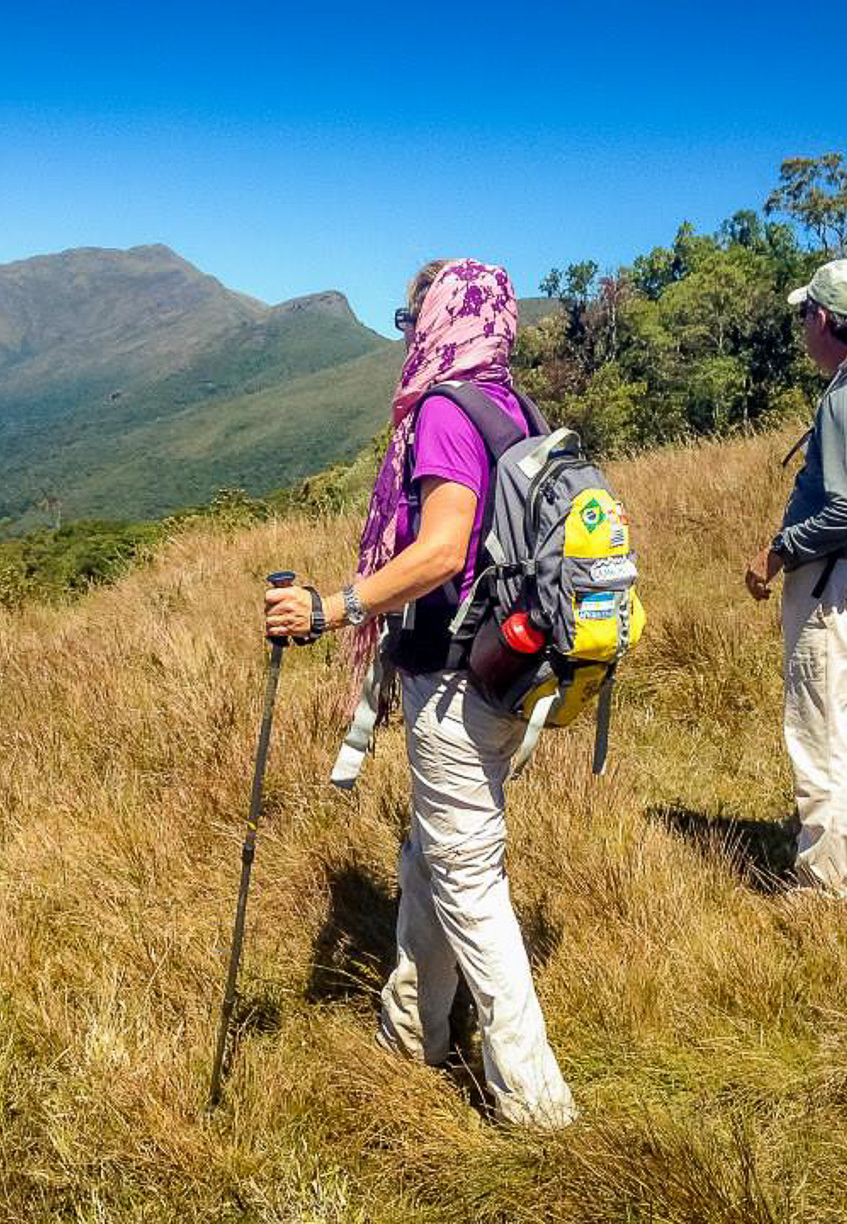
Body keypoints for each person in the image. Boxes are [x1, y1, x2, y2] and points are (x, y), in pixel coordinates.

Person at [262, 258, 576, 1129]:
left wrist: (333, 608)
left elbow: (443, 549)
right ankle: (414, 1035)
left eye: (412, 317)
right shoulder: (515, 406)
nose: (408, 333)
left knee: (470, 879)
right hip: (510, 672)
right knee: (431, 859)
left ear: (440, 317)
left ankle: (535, 1104)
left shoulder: (444, 410)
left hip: (453, 684)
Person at [743, 258, 847, 900]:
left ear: (822, 318)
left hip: (835, 586)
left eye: (803, 316)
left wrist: (779, 550)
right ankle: (823, 846)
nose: (801, 329)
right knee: (837, 723)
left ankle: (820, 889)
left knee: (820, 733)